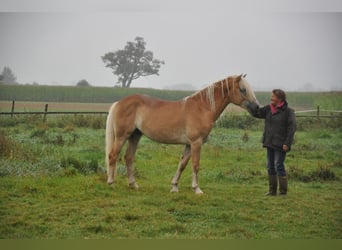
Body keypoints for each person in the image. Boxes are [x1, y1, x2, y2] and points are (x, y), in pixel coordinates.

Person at [249, 89, 296, 195]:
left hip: (281, 144)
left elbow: (292, 128)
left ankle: (283, 191)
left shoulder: (288, 112)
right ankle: (272, 191)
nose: (271, 98)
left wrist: (287, 143)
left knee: (278, 165)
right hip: (269, 142)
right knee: (270, 166)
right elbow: (257, 113)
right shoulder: (268, 108)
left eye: (273, 96)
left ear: (280, 99)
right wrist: (249, 105)